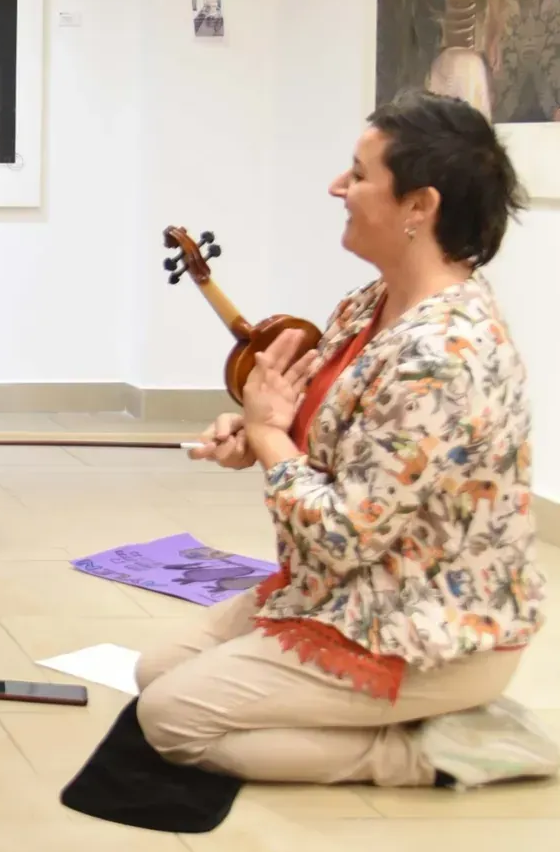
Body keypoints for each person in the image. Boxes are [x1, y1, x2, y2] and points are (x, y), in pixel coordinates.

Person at [138, 88, 553, 789]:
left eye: (358, 175)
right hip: (343, 592)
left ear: (420, 207)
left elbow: (342, 532)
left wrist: (269, 434)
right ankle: (406, 718)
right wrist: (255, 432)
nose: (338, 186)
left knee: (172, 720)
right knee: (155, 671)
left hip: (423, 628)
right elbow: (324, 438)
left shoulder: (444, 354)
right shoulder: (373, 302)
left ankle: (441, 750)